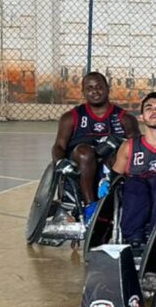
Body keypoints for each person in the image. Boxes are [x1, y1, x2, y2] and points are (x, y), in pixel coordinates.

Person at [51, 72, 138, 222]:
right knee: (85, 152)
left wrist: (119, 142)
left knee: (119, 153)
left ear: (107, 88)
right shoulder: (71, 117)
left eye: (99, 87)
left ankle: (114, 203)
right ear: (83, 92)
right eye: (90, 88)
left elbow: (138, 147)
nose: (95, 91)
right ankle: (90, 208)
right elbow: (59, 146)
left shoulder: (125, 118)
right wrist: (60, 162)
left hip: (111, 163)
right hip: (81, 160)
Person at [111, 92, 156, 249]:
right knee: (134, 182)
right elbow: (115, 178)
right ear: (141, 117)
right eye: (149, 108)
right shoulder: (129, 146)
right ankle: (134, 238)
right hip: (136, 196)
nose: (155, 111)